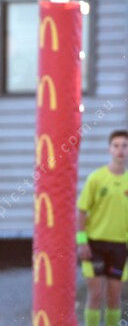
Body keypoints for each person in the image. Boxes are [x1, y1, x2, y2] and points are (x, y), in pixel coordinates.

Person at [76, 129, 128, 326]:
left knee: (114, 297)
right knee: (96, 295)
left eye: (124, 146)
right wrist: (82, 242)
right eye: (116, 145)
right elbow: (82, 211)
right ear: (109, 149)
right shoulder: (96, 178)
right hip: (94, 245)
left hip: (120, 246)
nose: (120, 150)